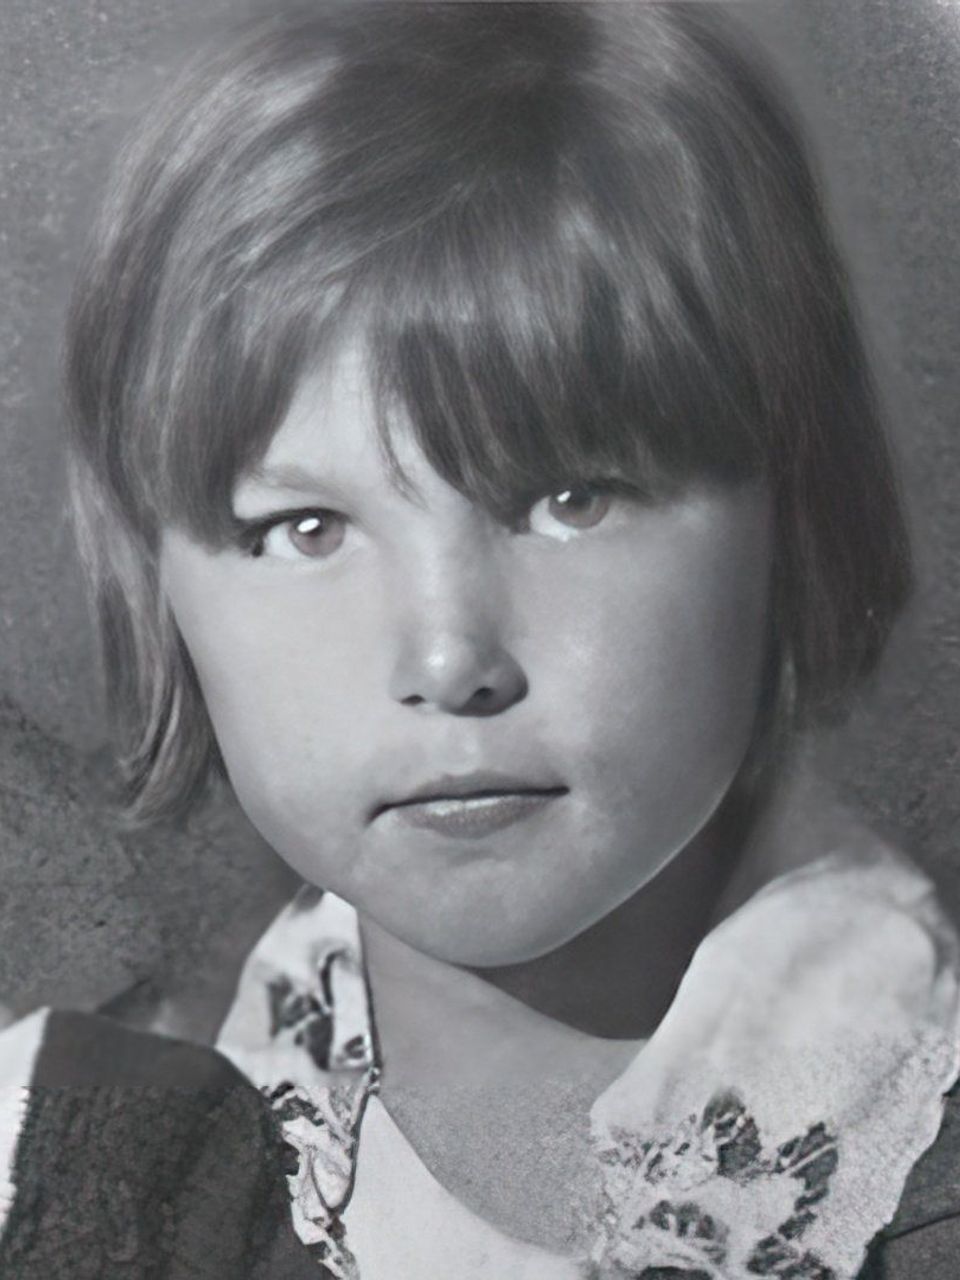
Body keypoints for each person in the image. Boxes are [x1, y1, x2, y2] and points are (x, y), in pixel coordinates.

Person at [1, 2, 958, 1276]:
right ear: (159, 589)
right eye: (303, 529)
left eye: (571, 499)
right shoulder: (61, 1166)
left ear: (796, 513)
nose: (449, 661)